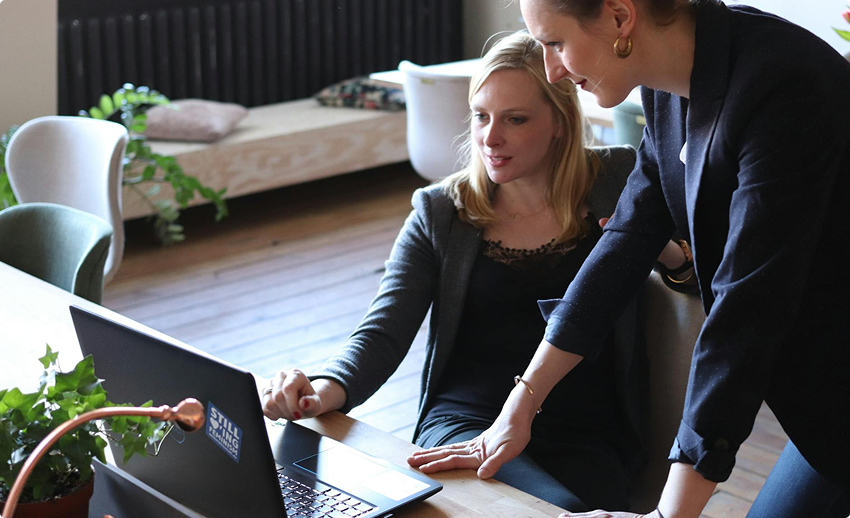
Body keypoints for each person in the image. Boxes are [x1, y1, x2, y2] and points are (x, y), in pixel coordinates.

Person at [408, 1, 850, 517]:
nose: (552, 70)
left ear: (620, 17)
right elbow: (626, 240)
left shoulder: (782, 83)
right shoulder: (670, 88)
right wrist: (520, 406)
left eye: (555, 43)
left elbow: (747, 311)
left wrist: (668, 515)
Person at [262, 31, 692, 511]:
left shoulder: (620, 179)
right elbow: (383, 331)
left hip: (587, 431)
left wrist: (665, 252)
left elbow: (701, 282)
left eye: (515, 119)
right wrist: (322, 390)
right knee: (550, 509)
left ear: (560, 121)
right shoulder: (441, 211)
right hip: (465, 422)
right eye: (481, 116)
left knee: (560, 505)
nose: (490, 137)